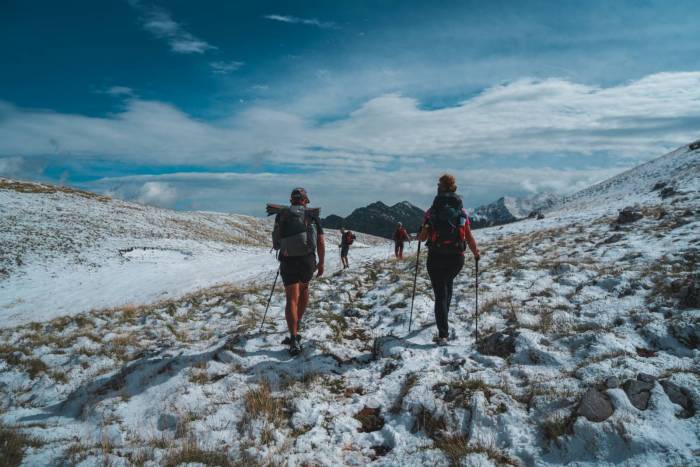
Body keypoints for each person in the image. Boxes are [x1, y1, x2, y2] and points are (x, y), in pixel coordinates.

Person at [417, 174, 480, 346]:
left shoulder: (431, 212)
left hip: (436, 256)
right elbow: (468, 236)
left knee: (440, 293)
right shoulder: (461, 212)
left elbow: (422, 238)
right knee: (447, 285)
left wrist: (423, 229)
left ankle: (443, 334)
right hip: (456, 258)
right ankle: (443, 315)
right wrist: (476, 253)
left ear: (440, 188)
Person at [272, 187, 325, 355]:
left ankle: (293, 337)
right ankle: (297, 322)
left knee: (291, 299)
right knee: (304, 290)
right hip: (307, 260)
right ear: (305, 200)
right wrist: (322, 263)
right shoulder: (312, 215)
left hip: (287, 260)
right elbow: (321, 242)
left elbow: (276, 242)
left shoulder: (282, 215)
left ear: (291, 200)